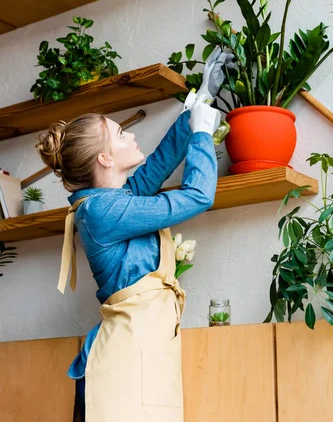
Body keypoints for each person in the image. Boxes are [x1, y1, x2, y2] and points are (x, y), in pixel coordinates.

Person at [36, 48, 234, 422]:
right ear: (105, 159)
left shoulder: (113, 202)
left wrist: (202, 99)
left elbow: (156, 165)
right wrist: (203, 133)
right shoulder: (101, 211)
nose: (131, 135)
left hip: (143, 355)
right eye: (121, 133)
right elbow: (196, 196)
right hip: (124, 365)